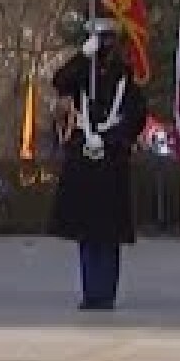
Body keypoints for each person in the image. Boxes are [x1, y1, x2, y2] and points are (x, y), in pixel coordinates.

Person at [48, 17, 147, 311]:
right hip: (84, 159)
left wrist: (111, 139)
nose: (103, 46)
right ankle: (90, 291)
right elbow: (59, 82)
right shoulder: (82, 72)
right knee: (86, 233)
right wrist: (82, 56)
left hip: (111, 159)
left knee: (109, 233)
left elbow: (135, 117)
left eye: (106, 40)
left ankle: (106, 291)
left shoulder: (124, 77)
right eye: (98, 39)